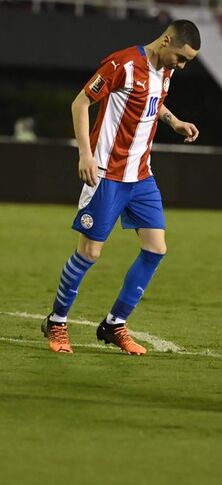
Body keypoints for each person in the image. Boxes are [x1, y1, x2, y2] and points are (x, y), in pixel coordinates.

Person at [41, 20, 201, 354]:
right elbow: (80, 103)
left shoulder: (165, 71)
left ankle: (114, 323)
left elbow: (152, 104)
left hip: (141, 176)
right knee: (90, 253)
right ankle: (56, 322)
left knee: (156, 249)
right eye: (181, 58)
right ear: (167, 40)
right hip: (106, 174)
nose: (182, 66)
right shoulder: (123, 64)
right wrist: (85, 154)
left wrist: (174, 121)